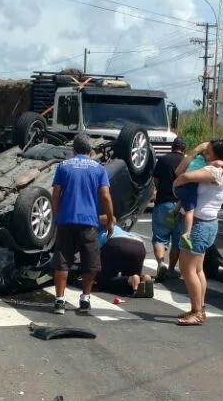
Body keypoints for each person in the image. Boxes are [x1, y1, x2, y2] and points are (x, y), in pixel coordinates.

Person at [50, 135, 115, 315]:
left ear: (74, 150)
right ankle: (85, 299)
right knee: (90, 261)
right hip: (88, 222)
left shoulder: (63, 166)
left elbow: (55, 195)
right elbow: (106, 197)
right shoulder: (98, 169)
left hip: (66, 220)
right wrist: (110, 220)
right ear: (90, 151)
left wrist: (57, 216)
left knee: (62, 261)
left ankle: (59, 301)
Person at [172, 140, 223, 327]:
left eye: (208, 152)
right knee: (197, 270)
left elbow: (184, 175)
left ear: (217, 155)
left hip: (199, 226)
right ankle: (199, 308)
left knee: (187, 270)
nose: (205, 154)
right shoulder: (220, 170)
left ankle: (197, 312)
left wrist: (177, 183)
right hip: (207, 224)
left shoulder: (214, 171)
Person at [149, 138, 186, 281]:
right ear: (184, 149)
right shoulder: (187, 162)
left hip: (163, 203)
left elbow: (156, 180)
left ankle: (160, 263)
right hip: (181, 206)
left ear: (172, 147)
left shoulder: (163, 160)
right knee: (177, 240)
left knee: (159, 237)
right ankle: (171, 269)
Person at [97, 215, 154, 298]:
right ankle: (144, 278)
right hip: (139, 245)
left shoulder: (99, 232)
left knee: (104, 281)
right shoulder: (119, 229)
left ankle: (130, 279)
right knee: (133, 278)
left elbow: (94, 257)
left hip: (116, 243)